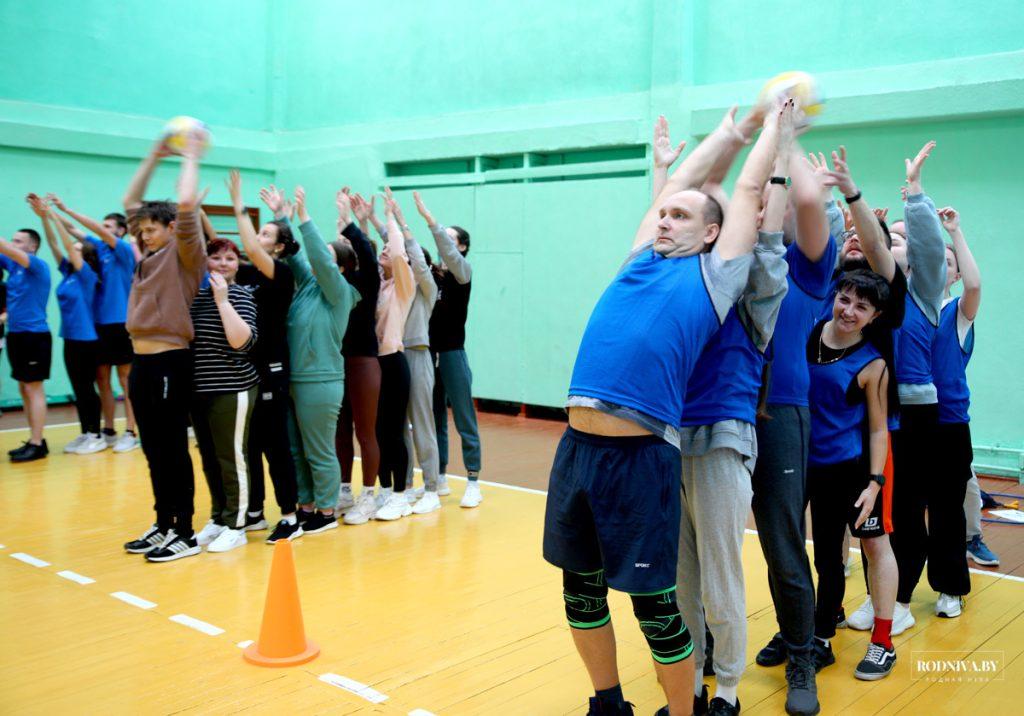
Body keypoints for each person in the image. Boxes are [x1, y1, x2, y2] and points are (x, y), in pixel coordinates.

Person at [543, 101, 789, 716]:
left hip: (642, 452)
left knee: (658, 604)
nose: (664, 219)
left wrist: (766, 130)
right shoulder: (637, 263)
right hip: (578, 449)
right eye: (662, 213)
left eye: (679, 216)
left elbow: (751, 189)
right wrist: (722, 133)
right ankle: (608, 702)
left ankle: (696, 704)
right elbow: (674, 191)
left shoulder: (714, 279)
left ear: (711, 233)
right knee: (581, 595)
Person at [672, 110, 794, 716]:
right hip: (671, 441)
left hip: (722, 439)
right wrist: (666, 171)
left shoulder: (756, 294)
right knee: (681, 583)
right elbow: (665, 227)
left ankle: (726, 691)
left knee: (721, 579)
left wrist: (776, 154)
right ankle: (689, 683)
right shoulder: (687, 285)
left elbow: (767, 238)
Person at [836, 143, 956, 632]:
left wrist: (915, 196)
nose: (897, 244)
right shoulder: (863, 297)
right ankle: (876, 595)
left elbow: (926, 248)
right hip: (876, 413)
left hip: (916, 412)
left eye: (899, 241)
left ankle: (902, 599)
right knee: (875, 509)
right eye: (892, 239)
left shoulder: (922, 292)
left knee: (908, 507)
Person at [750, 149, 843, 715]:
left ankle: (803, 653)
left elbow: (808, 199)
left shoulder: (805, 266)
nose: (769, 201)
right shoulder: (730, 260)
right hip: (719, 414)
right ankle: (711, 641)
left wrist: (785, 143)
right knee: (707, 541)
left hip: (783, 413)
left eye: (775, 194)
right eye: (762, 193)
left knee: (783, 542)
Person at [807, 270, 899, 681]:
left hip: (847, 470)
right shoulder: (808, 333)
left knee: (861, 550)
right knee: (814, 553)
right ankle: (811, 631)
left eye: (861, 307)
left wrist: (875, 483)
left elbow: (879, 428)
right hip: (800, 462)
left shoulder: (872, 364)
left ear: (874, 316)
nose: (849, 311)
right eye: (845, 299)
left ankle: (878, 641)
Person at [120, 132, 207, 562]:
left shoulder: (185, 252)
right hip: (141, 363)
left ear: (172, 229)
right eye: (143, 230)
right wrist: (153, 156)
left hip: (172, 361)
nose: (145, 235)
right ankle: (163, 522)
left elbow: (187, 204)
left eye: (152, 230)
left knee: (173, 447)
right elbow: (130, 198)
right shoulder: (148, 255)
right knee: (153, 448)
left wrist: (190, 156)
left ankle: (186, 532)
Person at [261, 185, 360, 535]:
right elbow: (299, 257)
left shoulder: (340, 293)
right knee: (296, 450)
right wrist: (281, 216)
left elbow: (316, 256)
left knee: (318, 450)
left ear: (342, 268)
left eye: (330, 257)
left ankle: (327, 510)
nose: (321, 261)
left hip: (321, 382)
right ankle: (306, 506)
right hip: (295, 379)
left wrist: (304, 217)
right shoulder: (307, 287)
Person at [227, 171, 302, 543]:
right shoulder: (243, 274)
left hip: (273, 366)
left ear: (280, 247)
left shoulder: (282, 274)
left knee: (275, 444)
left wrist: (238, 203)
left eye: (266, 235)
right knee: (250, 443)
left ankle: (289, 516)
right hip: (246, 367)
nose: (257, 240)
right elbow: (217, 249)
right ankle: (253, 511)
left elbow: (250, 249)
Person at [930, 209, 997, 581]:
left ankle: (972, 538)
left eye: (948, 262)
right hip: (907, 417)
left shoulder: (957, 312)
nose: (941, 265)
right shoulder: (905, 309)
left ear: (954, 274)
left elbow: (974, 287)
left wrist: (955, 232)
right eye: (934, 258)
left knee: (962, 490)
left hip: (948, 420)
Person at [47, 195, 138, 452]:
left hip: (120, 324)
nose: (103, 230)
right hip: (98, 326)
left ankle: (131, 431)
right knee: (102, 379)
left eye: (109, 227)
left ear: (121, 231)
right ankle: (108, 430)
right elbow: (73, 230)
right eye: (103, 226)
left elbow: (90, 229)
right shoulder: (97, 251)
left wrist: (65, 207)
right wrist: (51, 214)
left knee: (126, 379)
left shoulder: (122, 250)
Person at [413, 191, 483, 508]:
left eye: (451, 239)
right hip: (429, 354)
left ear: (462, 247)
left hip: (453, 355)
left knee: (464, 418)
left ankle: (472, 480)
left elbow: (449, 254)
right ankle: (439, 477)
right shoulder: (433, 278)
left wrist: (432, 223)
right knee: (435, 416)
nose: (444, 243)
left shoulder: (463, 274)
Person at [190, 239, 260, 553]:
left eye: (229, 258)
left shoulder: (241, 295)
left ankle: (237, 525)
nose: (222, 263)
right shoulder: (194, 297)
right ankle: (218, 517)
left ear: (237, 264)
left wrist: (222, 301)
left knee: (232, 458)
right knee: (209, 459)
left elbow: (241, 343)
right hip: (200, 390)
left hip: (233, 388)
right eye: (216, 257)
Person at [30, 197, 105, 454]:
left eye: (75, 248)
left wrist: (53, 215)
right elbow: (54, 244)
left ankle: (96, 434)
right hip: (70, 338)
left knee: (86, 388)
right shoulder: (69, 274)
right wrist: (44, 219)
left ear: (84, 256)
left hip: (87, 340)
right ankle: (86, 432)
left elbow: (68, 247)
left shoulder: (87, 276)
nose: (70, 250)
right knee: (78, 389)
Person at [331, 190, 383, 524]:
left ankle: (369, 496)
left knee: (365, 432)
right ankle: (344, 491)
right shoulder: (328, 286)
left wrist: (350, 222)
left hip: (363, 362)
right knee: (340, 432)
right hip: (335, 365)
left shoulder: (364, 281)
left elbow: (364, 249)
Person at [368, 191, 416, 521]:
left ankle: (401, 493)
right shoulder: (377, 285)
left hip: (394, 363)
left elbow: (397, 250)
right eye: (381, 249)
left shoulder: (403, 284)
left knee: (393, 430)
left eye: (389, 248)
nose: (385, 251)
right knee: (377, 430)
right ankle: (384, 490)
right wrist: (357, 219)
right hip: (373, 365)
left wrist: (390, 217)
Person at [1, 220, 52, 463]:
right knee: (24, 387)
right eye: (13, 240)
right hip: (16, 334)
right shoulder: (14, 267)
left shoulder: (37, 266)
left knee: (34, 388)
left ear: (32, 247)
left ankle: (38, 442)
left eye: (19, 241)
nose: (13, 245)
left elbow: (5, 248)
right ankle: (34, 439)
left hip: (35, 336)